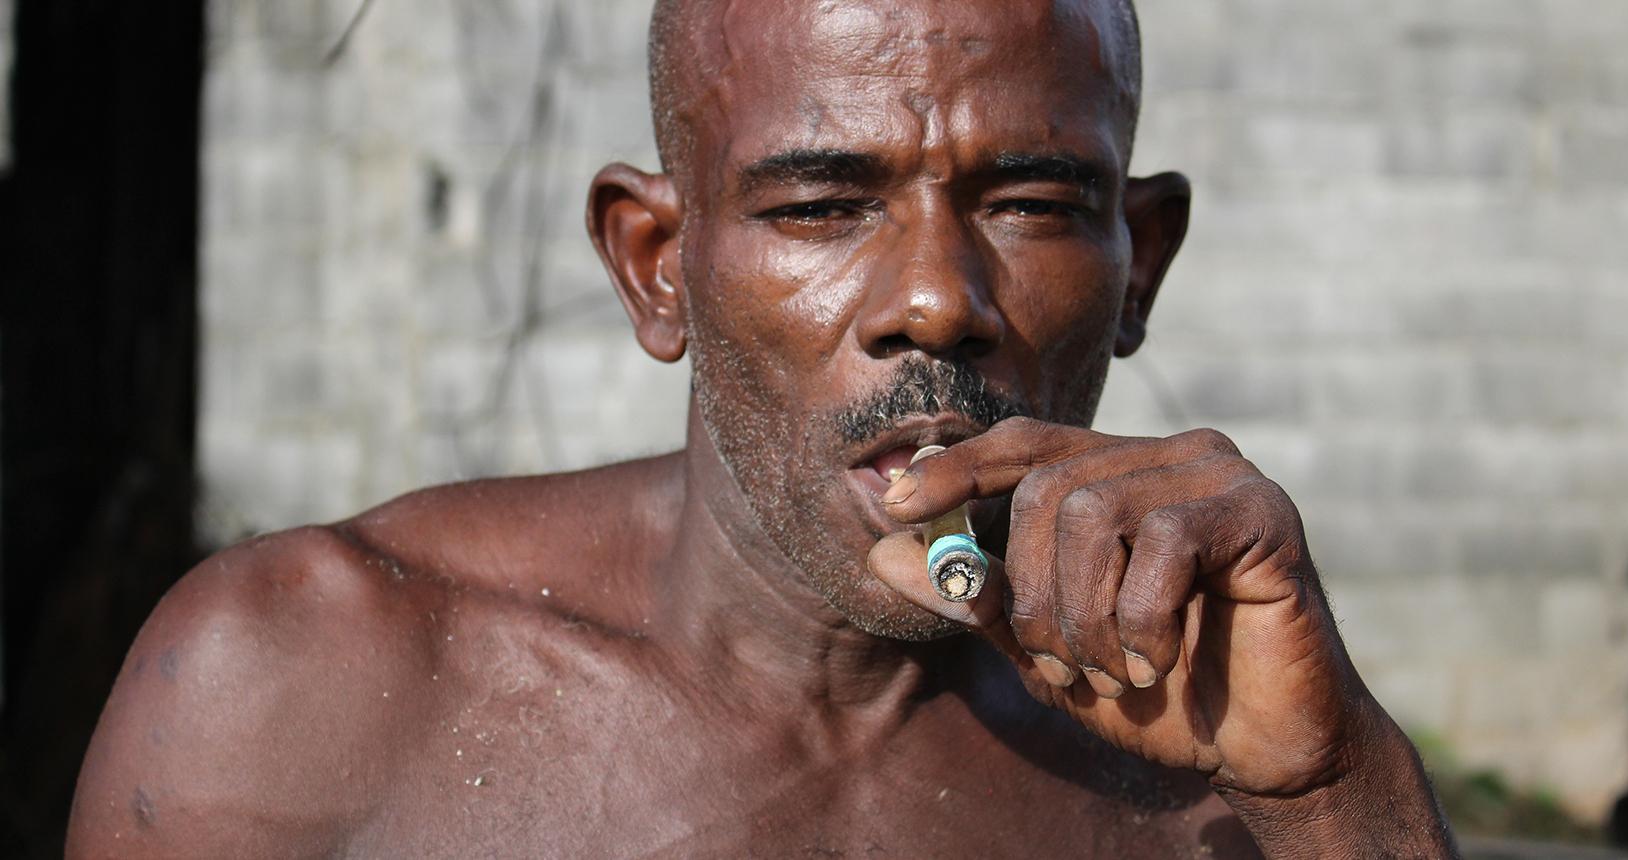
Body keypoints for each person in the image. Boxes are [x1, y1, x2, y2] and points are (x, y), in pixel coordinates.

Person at [67, 0, 1458, 856]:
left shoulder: (1216, 750)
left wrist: (1338, 796)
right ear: (657, 263)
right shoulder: (298, 684)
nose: (933, 301)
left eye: (1030, 204)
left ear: (1137, 262)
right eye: (819, 206)